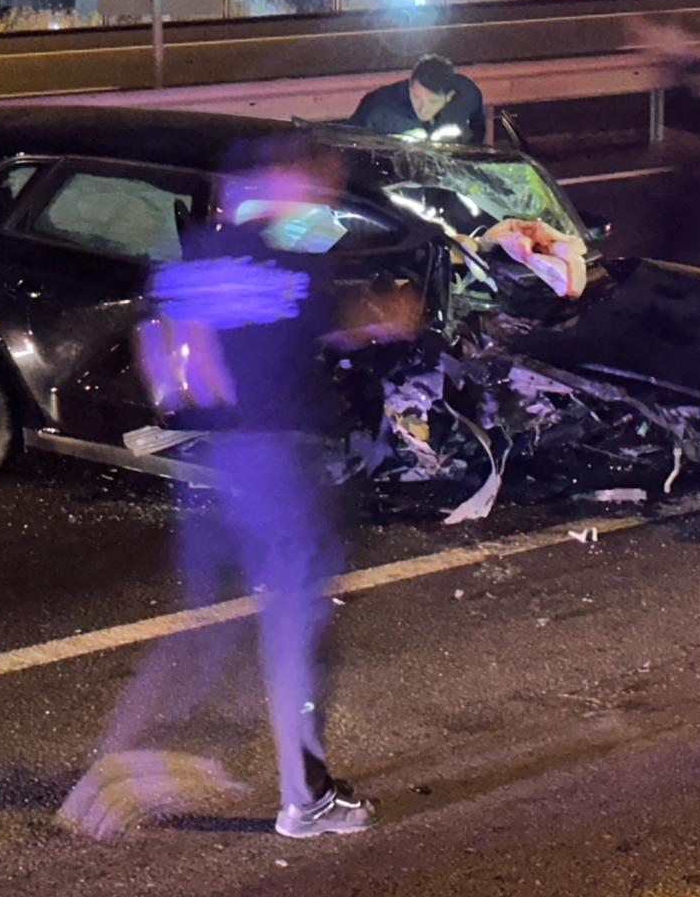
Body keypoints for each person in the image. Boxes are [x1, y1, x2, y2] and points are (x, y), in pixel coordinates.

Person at [58, 140, 419, 839]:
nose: (322, 197)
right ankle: (306, 802)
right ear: (279, 182)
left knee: (204, 630)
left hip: (208, 465)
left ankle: (104, 782)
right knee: (295, 632)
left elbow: (163, 358)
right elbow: (352, 324)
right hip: (277, 466)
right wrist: (391, 312)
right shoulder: (291, 265)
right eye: (315, 183)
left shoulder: (187, 261)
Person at [349, 54, 486, 145]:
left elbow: (477, 138)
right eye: (416, 96)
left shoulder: (468, 97)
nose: (422, 108)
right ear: (410, 85)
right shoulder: (378, 107)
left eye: (432, 102)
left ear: (449, 97)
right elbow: (352, 150)